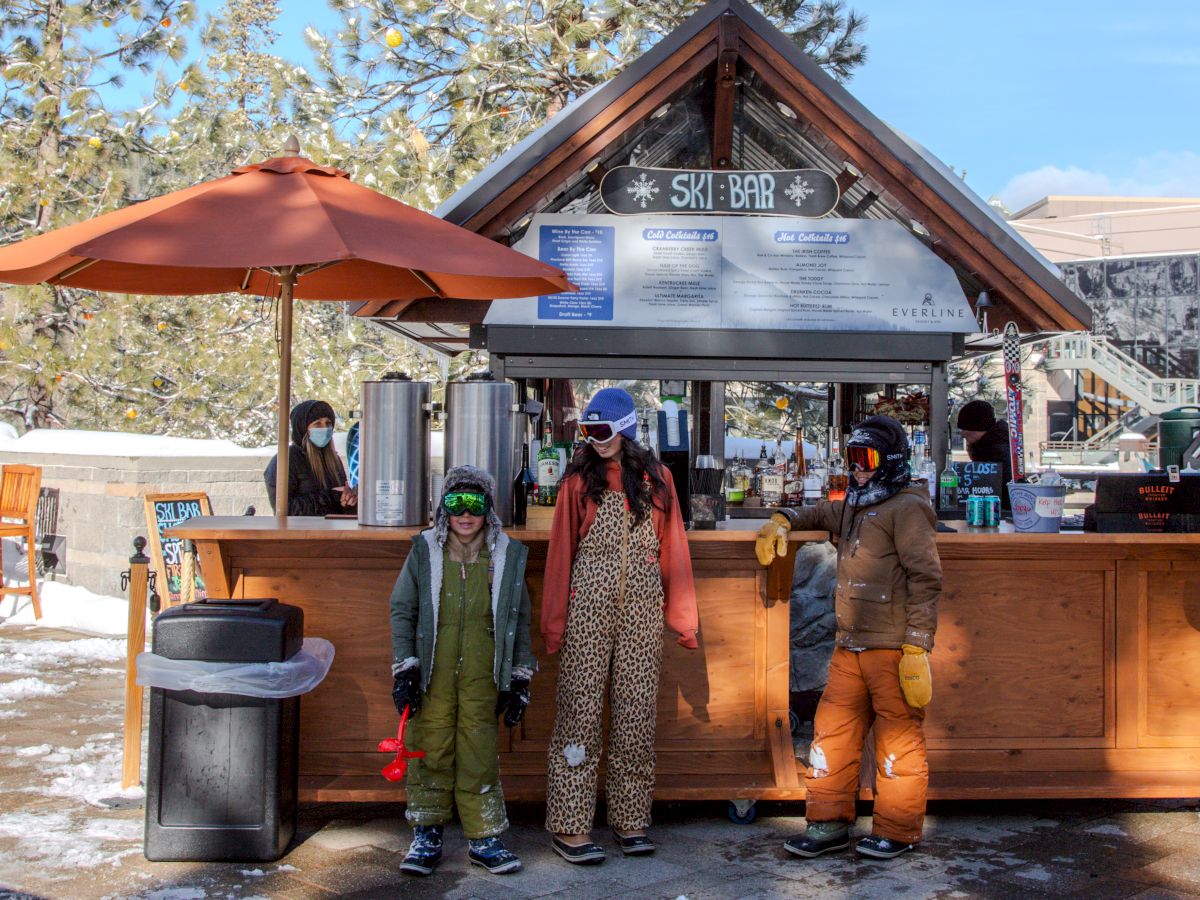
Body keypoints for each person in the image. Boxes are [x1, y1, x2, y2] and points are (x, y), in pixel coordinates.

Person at [755, 416, 941, 861]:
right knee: (832, 734)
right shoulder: (858, 502)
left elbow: (926, 577)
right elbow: (821, 511)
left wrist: (917, 645)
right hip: (849, 645)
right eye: (851, 458)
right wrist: (783, 518)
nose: (857, 468)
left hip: (892, 648)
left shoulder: (907, 507)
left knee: (898, 740)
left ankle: (896, 829)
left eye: (867, 458)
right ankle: (828, 821)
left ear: (890, 461)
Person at [542, 387, 698, 865]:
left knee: (635, 713)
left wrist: (684, 619)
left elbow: (673, 547)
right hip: (588, 605)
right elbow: (560, 554)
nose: (596, 441)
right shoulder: (576, 481)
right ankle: (570, 823)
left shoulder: (658, 479)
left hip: (643, 609)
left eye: (604, 431)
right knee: (579, 712)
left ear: (625, 429)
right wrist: (554, 622)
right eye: (588, 432)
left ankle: (630, 817)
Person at [388, 465, 535, 876]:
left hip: (481, 675)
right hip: (433, 673)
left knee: (478, 750)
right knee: (429, 746)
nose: (465, 515)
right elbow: (402, 609)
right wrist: (405, 669)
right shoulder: (424, 552)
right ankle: (426, 831)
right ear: (443, 510)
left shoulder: (506, 556)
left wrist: (519, 679)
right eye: (456, 504)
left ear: (489, 509)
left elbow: (519, 618)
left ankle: (484, 836)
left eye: (475, 504)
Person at [264, 399, 357, 516]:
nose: (324, 428)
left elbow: (341, 503)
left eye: (328, 423)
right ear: (303, 428)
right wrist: (328, 497)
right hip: (300, 532)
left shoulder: (333, 460)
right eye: (317, 423)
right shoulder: (286, 460)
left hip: (332, 532)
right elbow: (285, 510)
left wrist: (349, 501)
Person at [956, 399, 1012, 508]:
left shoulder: (996, 452)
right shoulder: (992, 446)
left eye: (965, 429)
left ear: (978, 427)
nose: (963, 435)